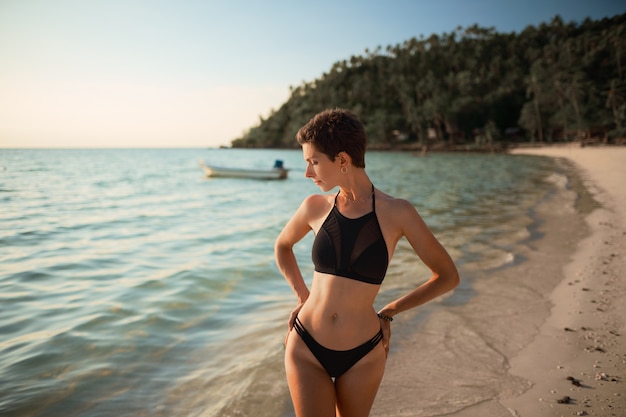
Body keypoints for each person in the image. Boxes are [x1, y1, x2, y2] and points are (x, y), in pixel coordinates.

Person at [274, 109, 460, 417]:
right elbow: (282, 245)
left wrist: (390, 311)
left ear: (343, 160)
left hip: (363, 354)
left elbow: (447, 276)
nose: (308, 173)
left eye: (314, 162)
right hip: (307, 345)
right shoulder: (314, 207)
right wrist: (302, 296)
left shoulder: (397, 213)